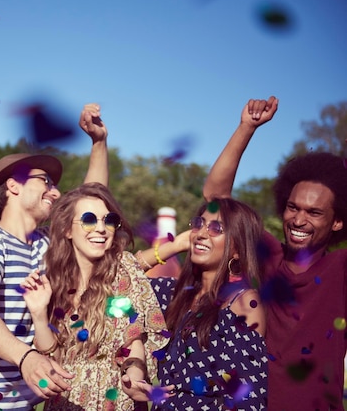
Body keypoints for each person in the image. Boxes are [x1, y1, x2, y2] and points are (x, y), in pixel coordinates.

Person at [0, 103, 109, 410]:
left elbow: (93, 203)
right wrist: (26, 357)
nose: (56, 192)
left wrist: (99, 143)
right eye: (46, 182)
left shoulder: (45, 244)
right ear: (13, 184)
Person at [203, 96, 347, 410]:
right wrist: (246, 128)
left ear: (338, 221)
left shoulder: (341, 269)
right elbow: (216, 195)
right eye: (293, 208)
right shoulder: (268, 256)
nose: (298, 219)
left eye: (314, 213)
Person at [20, 182, 170, 410]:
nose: (101, 228)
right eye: (89, 220)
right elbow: (55, 362)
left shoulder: (124, 268)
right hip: (67, 402)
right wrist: (39, 315)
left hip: (116, 400)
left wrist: (134, 376)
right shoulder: (53, 281)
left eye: (108, 221)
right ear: (68, 230)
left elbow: (133, 340)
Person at [149, 197, 268, 410]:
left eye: (216, 228)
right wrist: (174, 246)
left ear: (238, 248)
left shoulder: (242, 301)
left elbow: (249, 396)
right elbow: (116, 278)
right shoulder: (174, 294)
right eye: (198, 224)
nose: (201, 233)